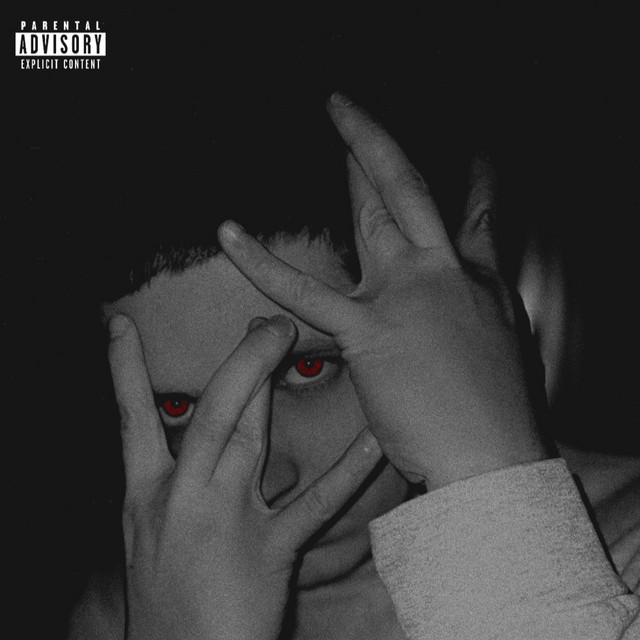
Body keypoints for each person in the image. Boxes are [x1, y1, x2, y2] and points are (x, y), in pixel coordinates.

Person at [67, 94, 640, 639]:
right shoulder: (123, 615)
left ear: (457, 333)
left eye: (307, 370)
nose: (265, 478)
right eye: (178, 407)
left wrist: (483, 474)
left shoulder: (624, 552)